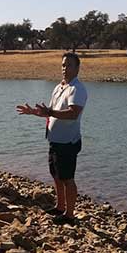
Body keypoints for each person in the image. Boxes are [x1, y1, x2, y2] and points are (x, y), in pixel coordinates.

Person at [16, 52, 87, 225]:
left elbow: (72, 114)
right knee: (56, 175)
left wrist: (50, 112)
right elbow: (51, 113)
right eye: (63, 65)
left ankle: (70, 215)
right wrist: (35, 112)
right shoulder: (59, 87)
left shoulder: (77, 89)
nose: (65, 68)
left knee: (67, 178)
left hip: (67, 142)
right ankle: (60, 206)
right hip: (54, 141)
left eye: (69, 65)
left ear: (77, 68)